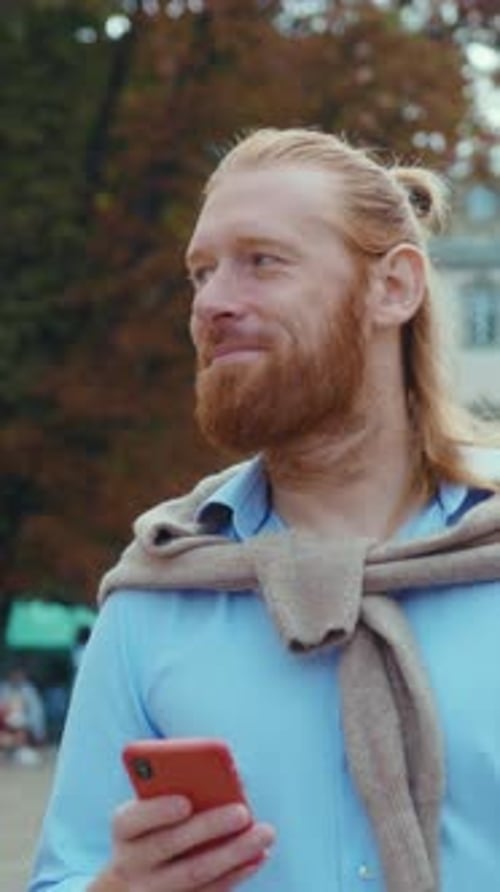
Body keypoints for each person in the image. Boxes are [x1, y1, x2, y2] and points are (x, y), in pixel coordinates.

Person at [28, 127, 500, 892]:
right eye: (201, 273)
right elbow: (65, 873)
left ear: (394, 288)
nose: (212, 303)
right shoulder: (156, 595)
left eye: (263, 261)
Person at [0, 664, 47, 764]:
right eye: (14, 674)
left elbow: (36, 714)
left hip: (25, 724)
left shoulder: (29, 690)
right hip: (5, 723)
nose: (16, 676)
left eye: (19, 674)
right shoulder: (3, 688)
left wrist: (38, 734)